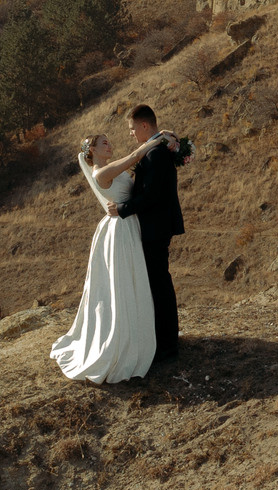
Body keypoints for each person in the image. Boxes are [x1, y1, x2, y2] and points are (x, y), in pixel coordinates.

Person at [48, 132, 156, 383]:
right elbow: (134, 156)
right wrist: (157, 139)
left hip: (128, 223)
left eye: (109, 141)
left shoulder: (110, 168)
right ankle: (121, 338)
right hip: (120, 229)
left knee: (133, 278)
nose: (109, 145)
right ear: (93, 151)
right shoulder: (100, 173)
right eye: (104, 143)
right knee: (121, 283)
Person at [110, 104, 186, 371]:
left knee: (159, 285)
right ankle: (164, 340)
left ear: (144, 126)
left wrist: (122, 209)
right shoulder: (156, 147)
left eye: (132, 128)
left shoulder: (156, 153)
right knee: (157, 283)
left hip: (156, 228)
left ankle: (167, 346)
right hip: (156, 226)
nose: (131, 133)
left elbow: (151, 195)